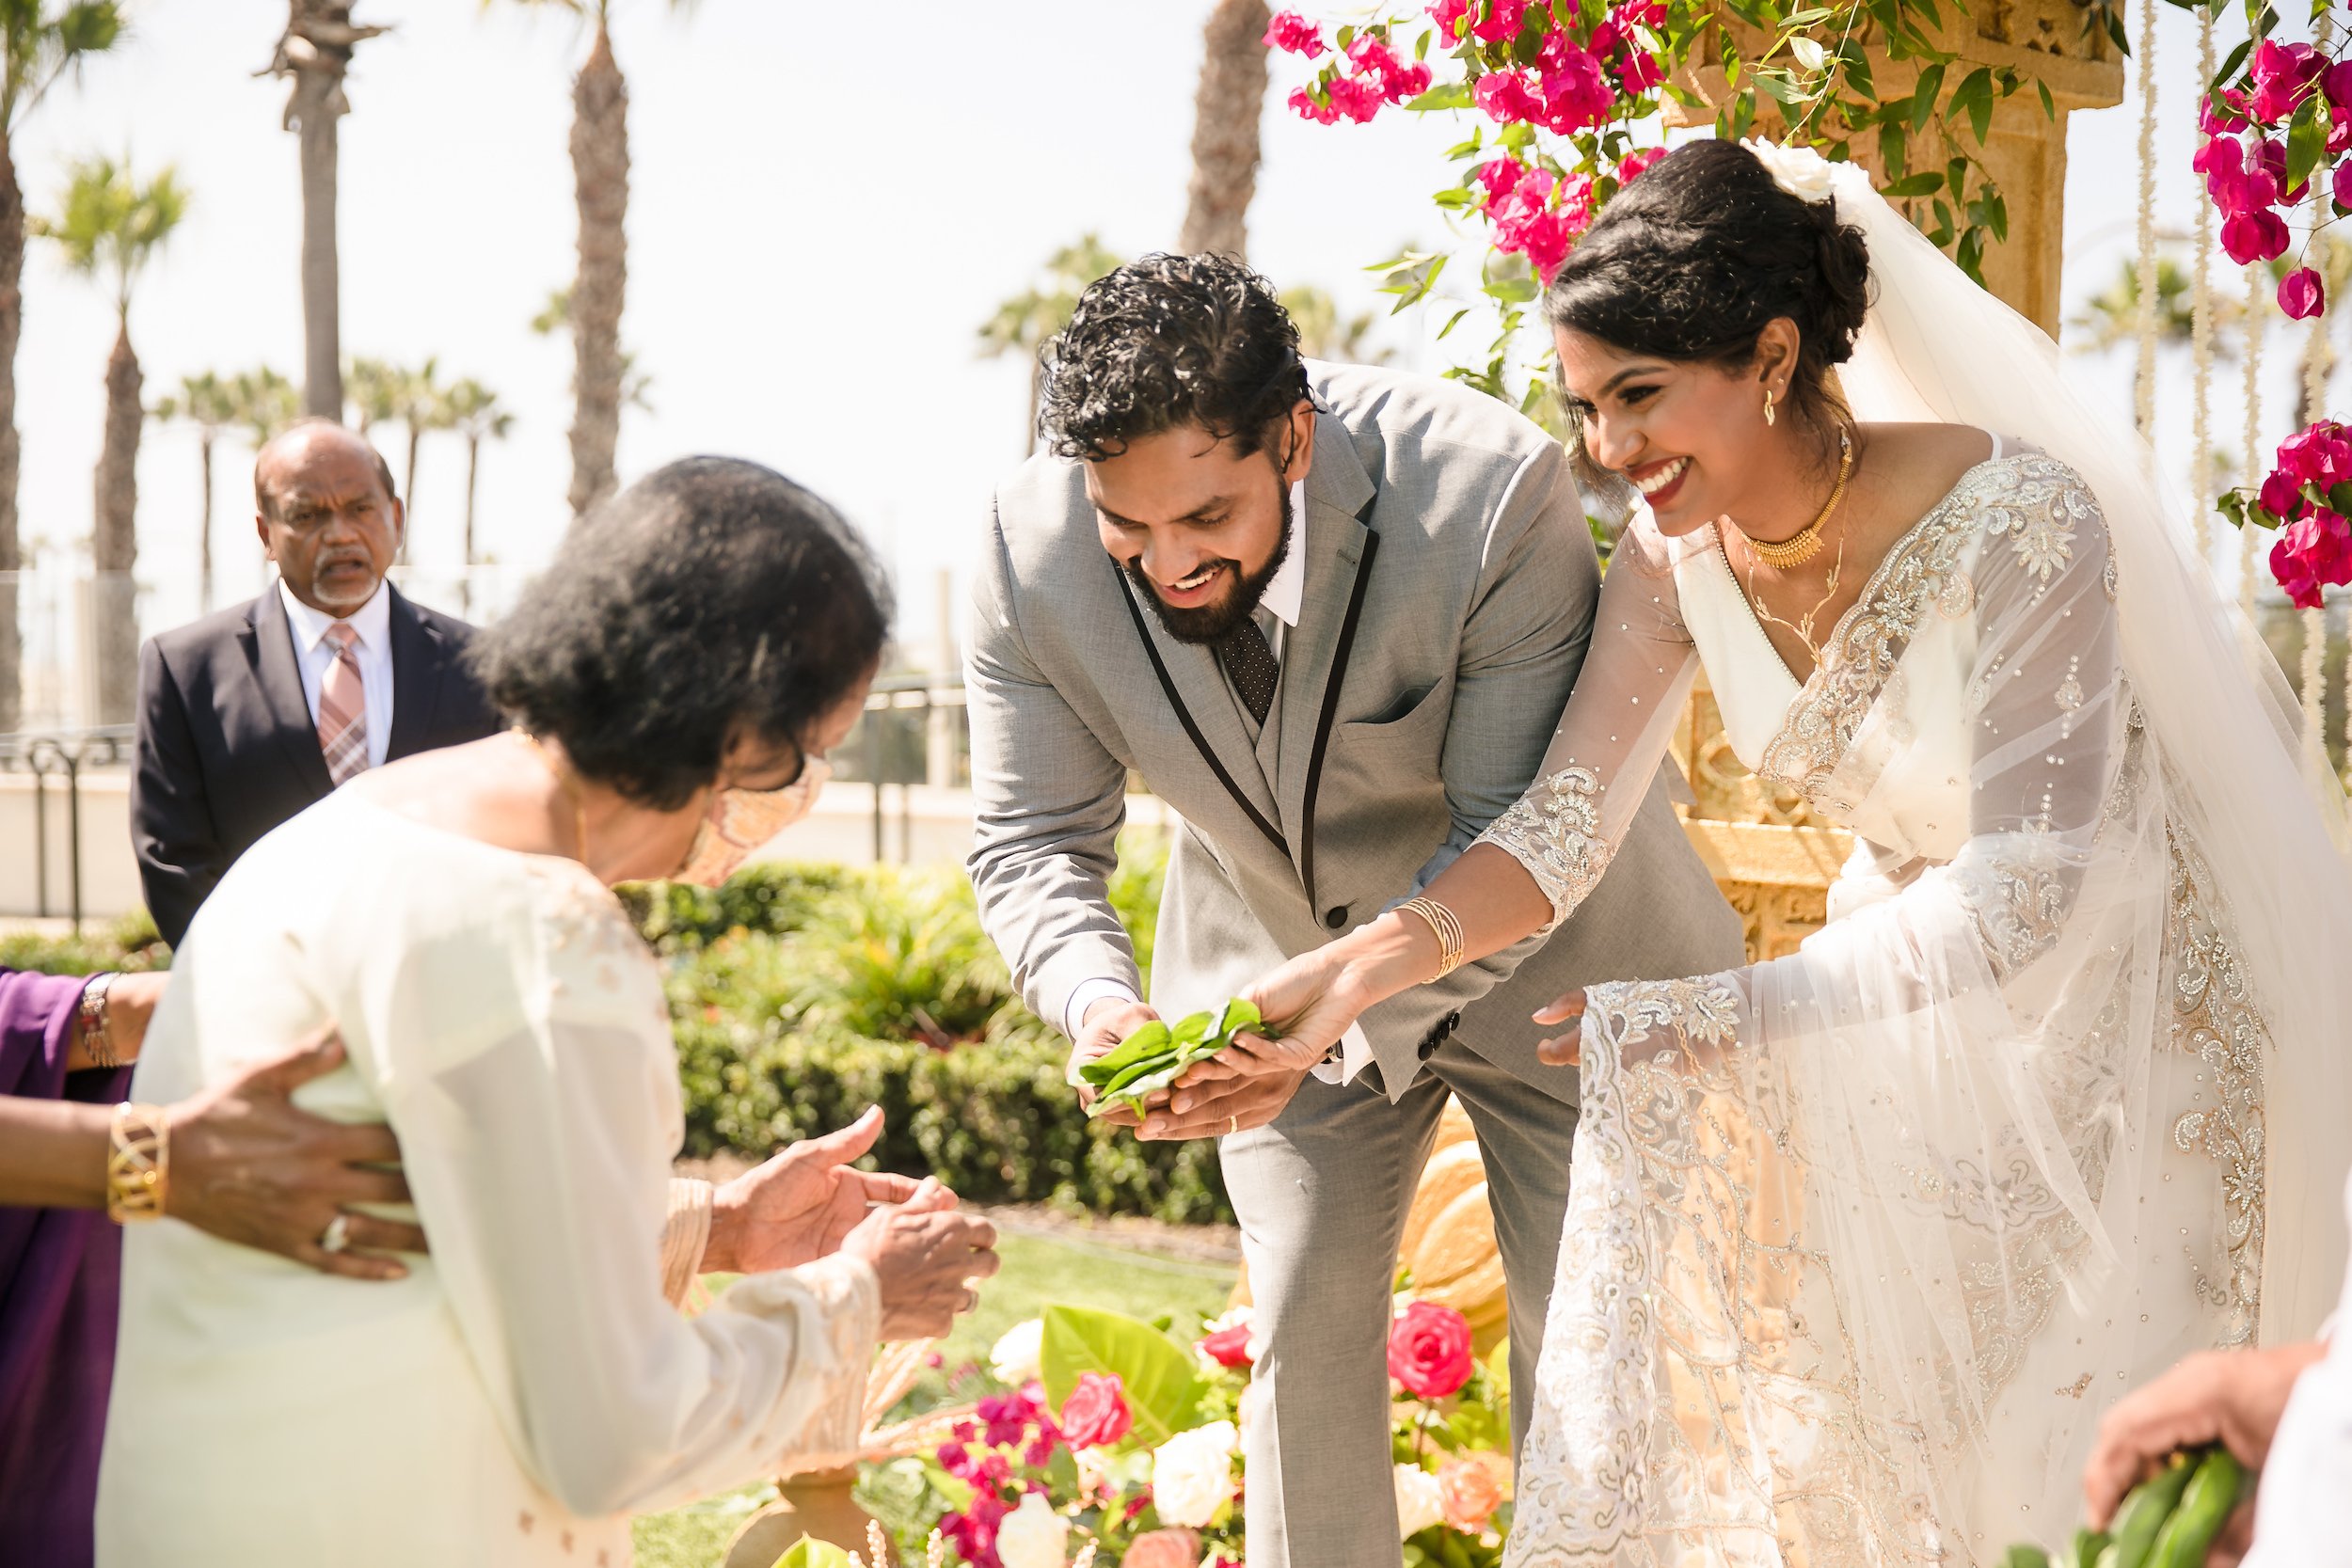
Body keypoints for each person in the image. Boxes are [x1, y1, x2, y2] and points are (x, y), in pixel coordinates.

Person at [1216, 139, 2352, 1565]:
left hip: (2125, 1010)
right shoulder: (1670, 554)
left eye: (1640, 396)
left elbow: (2027, 889)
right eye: (1586, 409)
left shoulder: (2022, 516)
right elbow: (1567, 819)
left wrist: (1732, 1013)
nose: (1612, 451)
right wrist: (1361, 964)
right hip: (1899, 1004)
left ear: (1767, 353)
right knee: (1904, 1447)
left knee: (2092, 1455)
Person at [964, 252, 1742, 1568]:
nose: (1168, 562)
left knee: (1593, 1387)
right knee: (1296, 1354)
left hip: (1563, 976)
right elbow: (1032, 838)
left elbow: (1519, 835)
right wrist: (1104, 1006)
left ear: (1294, 435)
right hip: (1266, 982)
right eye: (1127, 524)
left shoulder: (1486, 492)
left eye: (1207, 514)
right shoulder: (1027, 552)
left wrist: (1321, 1024)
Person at [97, 458, 1001, 1567]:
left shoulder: (347, 830)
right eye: (812, 749)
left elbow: (411, 1200)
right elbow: (608, 1431)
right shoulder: (546, 932)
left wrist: (713, 1229)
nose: (804, 790)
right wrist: (856, 1296)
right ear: (737, 731)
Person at [132, 420, 501, 947]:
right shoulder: (185, 669)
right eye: (307, 515)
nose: (340, 533)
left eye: (361, 508)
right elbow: (173, 862)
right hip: (266, 1004)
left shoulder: (482, 665)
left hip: (447, 996)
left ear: (395, 518)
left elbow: (514, 842)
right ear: (267, 534)